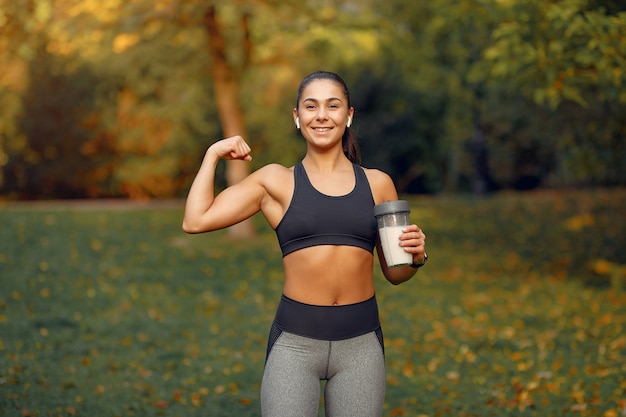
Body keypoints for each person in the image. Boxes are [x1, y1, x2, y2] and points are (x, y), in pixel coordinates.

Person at [182, 71, 427, 417]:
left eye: (333, 105)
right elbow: (195, 220)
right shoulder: (275, 182)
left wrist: (416, 256)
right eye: (311, 106)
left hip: (361, 348)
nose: (322, 115)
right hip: (295, 347)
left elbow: (396, 273)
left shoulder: (379, 184)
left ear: (349, 115)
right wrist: (212, 155)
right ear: (297, 117)